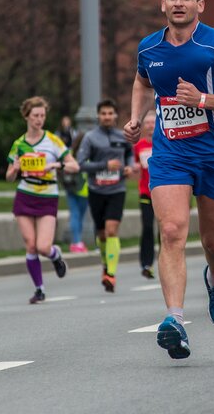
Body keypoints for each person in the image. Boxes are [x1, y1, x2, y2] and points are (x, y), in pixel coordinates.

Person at [125, 0, 214, 359]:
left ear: (201, 5)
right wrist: (136, 118)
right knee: (170, 230)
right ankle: (175, 320)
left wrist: (203, 99)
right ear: (162, 4)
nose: (179, 3)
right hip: (170, 154)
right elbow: (141, 81)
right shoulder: (149, 47)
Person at [6, 96, 78, 304]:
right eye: (35, 116)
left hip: (47, 196)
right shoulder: (19, 144)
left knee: (43, 247)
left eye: (42, 116)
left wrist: (55, 166)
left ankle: (55, 256)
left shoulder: (52, 141)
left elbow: (74, 165)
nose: (39, 120)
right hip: (25, 195)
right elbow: (9, 177)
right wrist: (15, 169)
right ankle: (39, 289)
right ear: (27, 117)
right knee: (30, 245)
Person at [78, 99, 134, 293]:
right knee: (101, 234)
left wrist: (128, 166)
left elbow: (129, 155)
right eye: (104, 113)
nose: (107, 117)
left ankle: (111, 273)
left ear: (116, 115)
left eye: (110, 113)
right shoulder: (90, 138)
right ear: (98, 116)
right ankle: (105, 264)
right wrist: (104, 166)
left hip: (117, 190)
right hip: (96, 190)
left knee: (112, 230)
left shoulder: (122, 136)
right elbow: (81, 163)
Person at [133, 112, 157, 278]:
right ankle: (146, 264)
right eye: (147, 123)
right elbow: (133, 163)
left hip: (164, 194)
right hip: (145, 192)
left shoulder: (164, 144)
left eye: (153, 122)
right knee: (147, 227)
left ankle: (166, 260)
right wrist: (133, 167)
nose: (150, 125)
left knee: (166, 230)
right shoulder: (139, 146)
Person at [60, 132, 90, 253]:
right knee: (79, 216)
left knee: (74, 214)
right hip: (83, 190)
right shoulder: (86, 155)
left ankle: (76, 241)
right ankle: (77, 242)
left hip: (70, 187)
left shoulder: (71, 153)